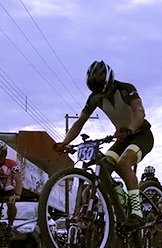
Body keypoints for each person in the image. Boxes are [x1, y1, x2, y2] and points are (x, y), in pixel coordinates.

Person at [53, 61, 154, 228]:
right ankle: (120, 196)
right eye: (97, 92)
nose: (102, 95)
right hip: (122, 140)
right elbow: (80, 122)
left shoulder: (126, 89)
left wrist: (130, 128)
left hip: (141, 135)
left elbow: (139, 111)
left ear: (110, 83)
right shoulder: (95, 98)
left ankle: (137, 211)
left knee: (123, 162)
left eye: (104, 90)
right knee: (103, 168)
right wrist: (65, 142)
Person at [0, 141, 23, 227]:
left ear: (4, 155)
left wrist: (17, 194)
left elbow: (19, 180)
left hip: (8, 190)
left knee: (11, 204)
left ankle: (10, 225)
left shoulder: (12, 164)